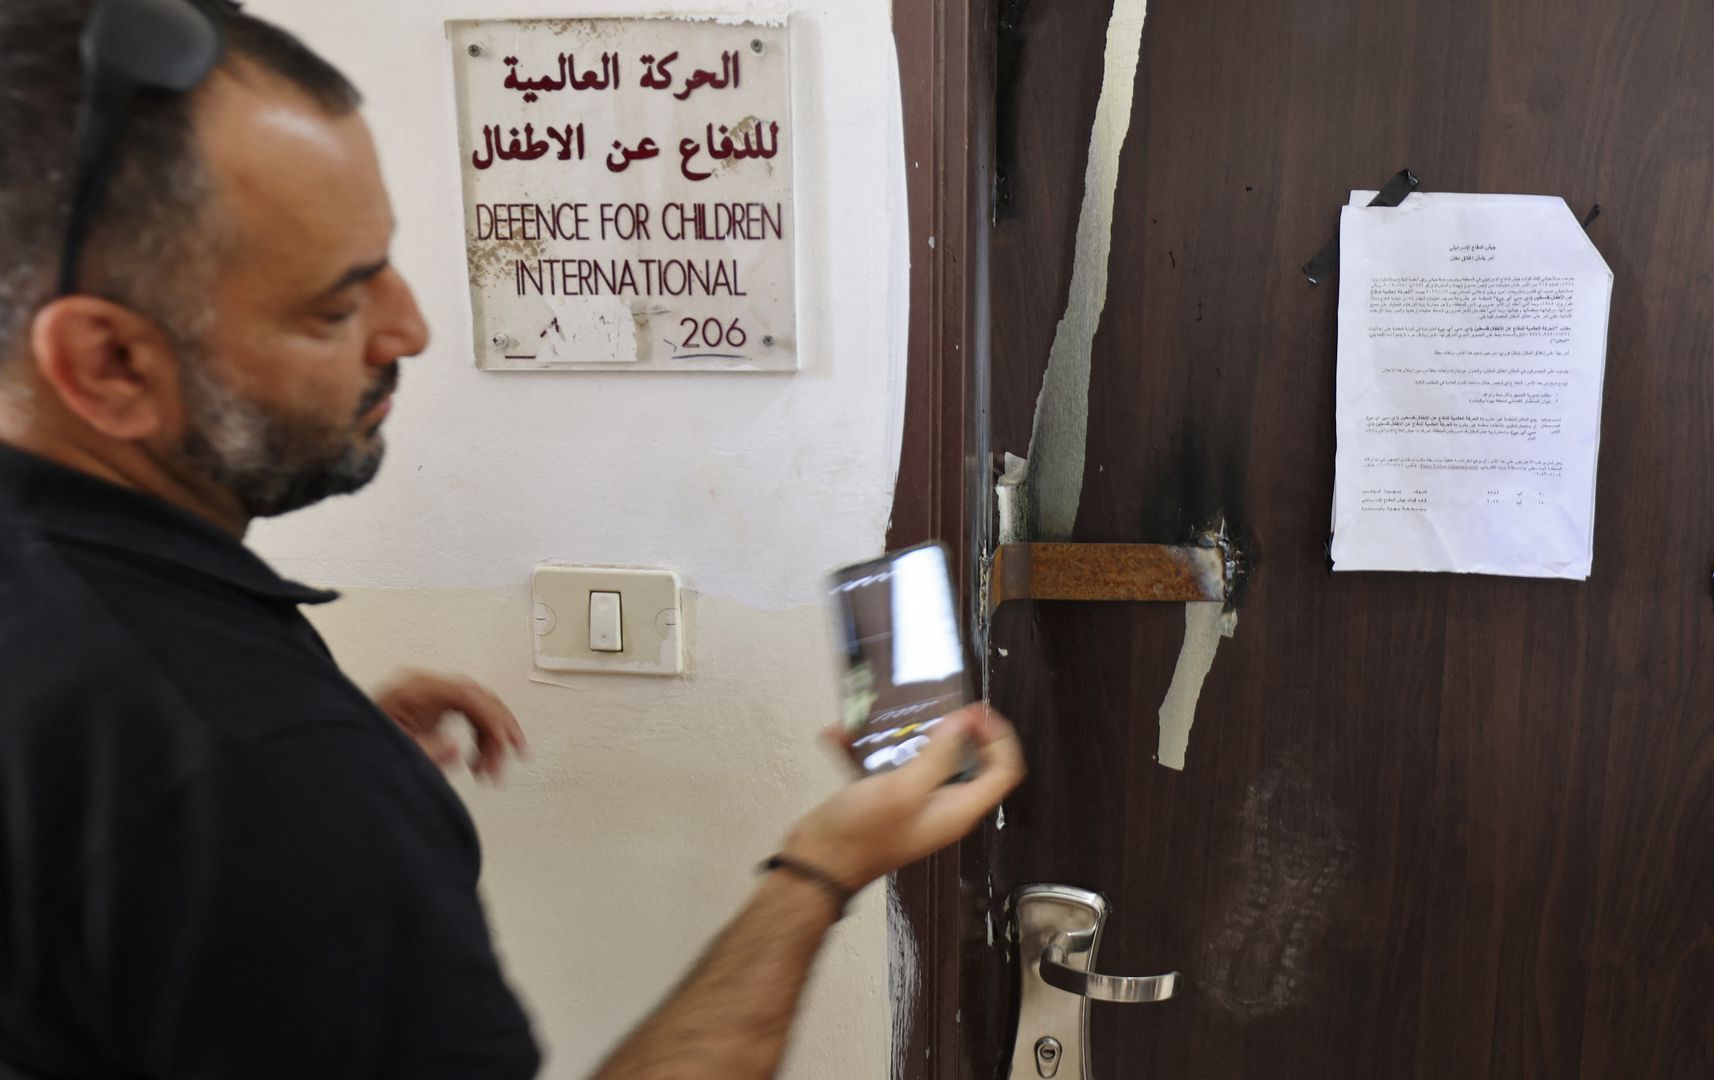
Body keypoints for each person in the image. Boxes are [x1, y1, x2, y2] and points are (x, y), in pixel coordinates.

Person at [0, 2, 1024, 1077]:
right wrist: (819, 870)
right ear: (110, 364)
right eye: (336, 307)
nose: (411, 330)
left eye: (385, 261)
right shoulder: (256, 777)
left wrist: (290, 750)